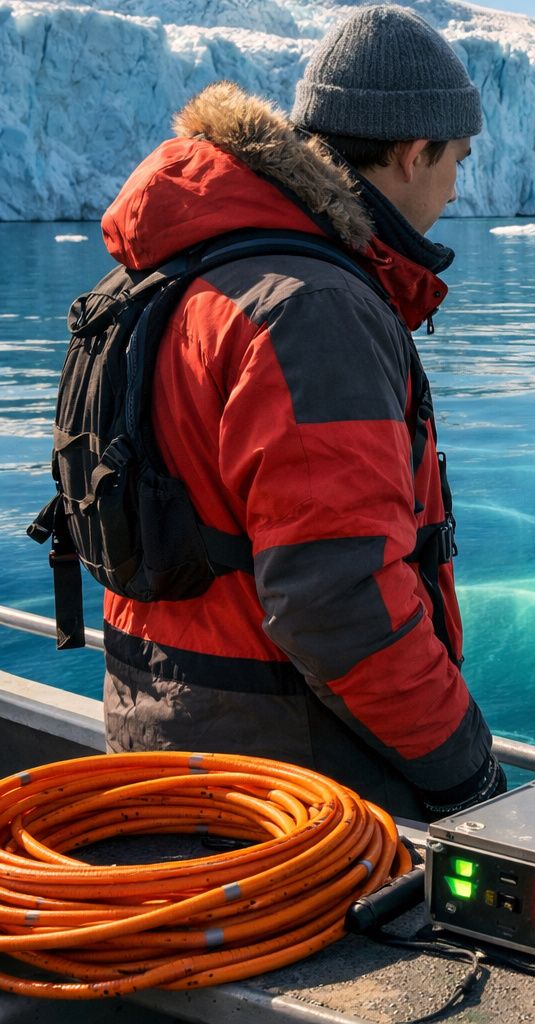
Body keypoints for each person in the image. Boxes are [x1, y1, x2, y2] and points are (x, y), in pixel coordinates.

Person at [97, 5, 504, 820]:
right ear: (410, 150)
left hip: (166, 742)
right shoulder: (312, 311)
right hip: (296, 787)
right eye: (456, 158)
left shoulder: (186, 276)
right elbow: (338, 601)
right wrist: (468, 779)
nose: (457, 185)